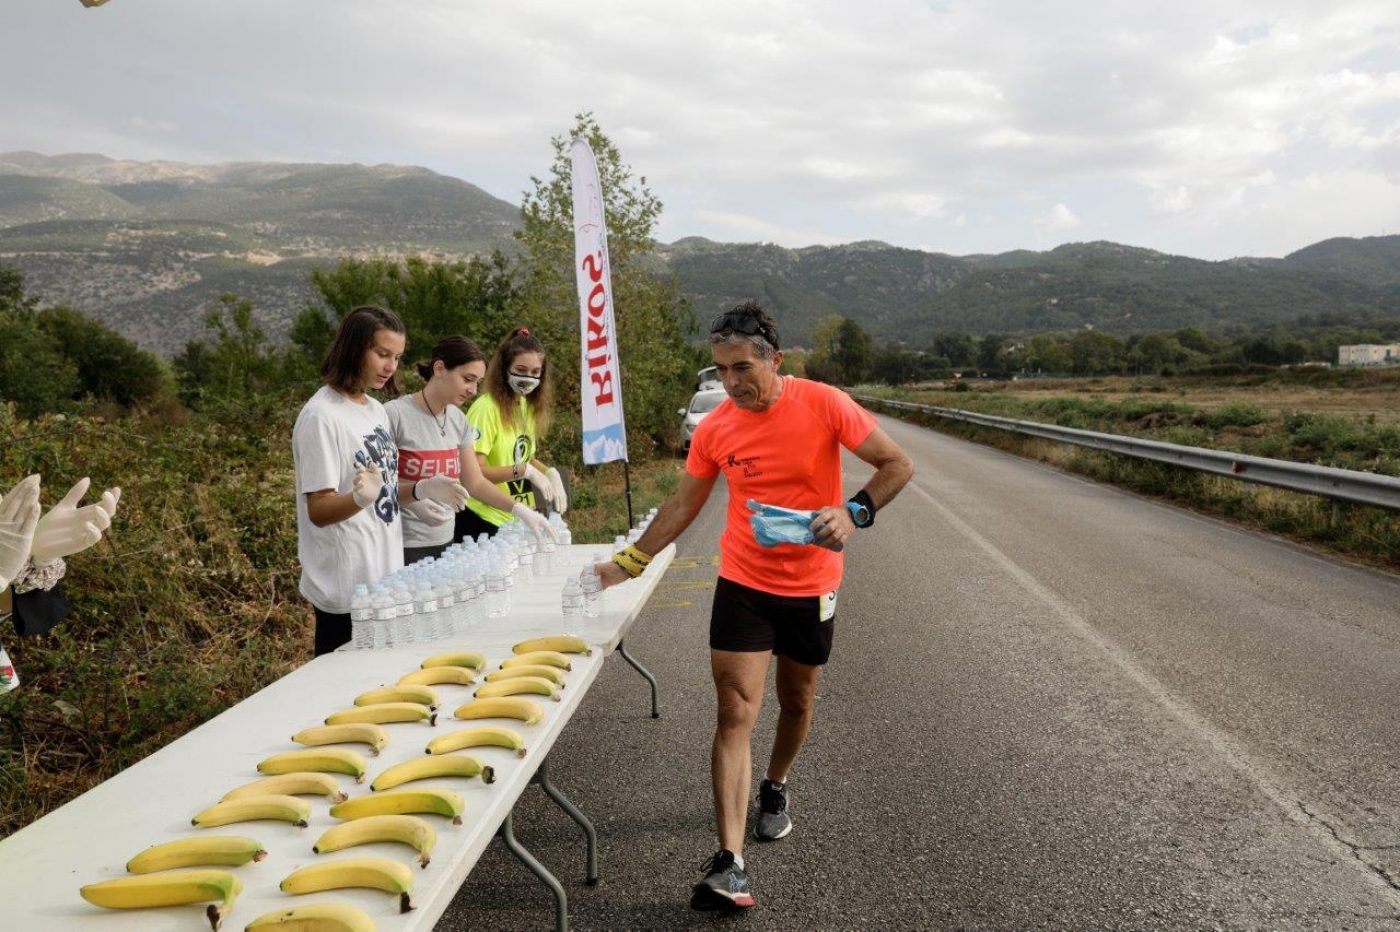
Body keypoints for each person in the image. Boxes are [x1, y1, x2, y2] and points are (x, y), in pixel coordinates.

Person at [595, 300, 914, 911]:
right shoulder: (717, 429)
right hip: (743, 583)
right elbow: (683, 506)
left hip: (812, 584)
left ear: (775, 360)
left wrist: (854, 512)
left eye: (742, 368)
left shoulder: (824, 403)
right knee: (734, 708)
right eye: (721, 370)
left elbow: (897, 464)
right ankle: (730, 863)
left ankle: (776, 783)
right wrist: (628, 563)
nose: (732, 383)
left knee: (797, 699)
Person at [293, 305, 422, 656]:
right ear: (353, 349)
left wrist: (421, 490)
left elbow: (381, 493)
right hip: (347, 592)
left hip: (385, 581)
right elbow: (319, 510)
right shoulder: (322, 416)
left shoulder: (375, 410)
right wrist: (358, 499)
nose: (391, 366)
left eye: (397, 357)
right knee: (346, 687)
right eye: (382, 354)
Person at [387, 336, 559, 566]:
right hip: (401, 544)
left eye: (478, 382)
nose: (473, 390)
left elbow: (475, 482)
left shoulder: (458, 420)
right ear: (440, 369)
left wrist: (520, 510)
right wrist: (414, 497)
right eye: (468, 379)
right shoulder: (395, 415)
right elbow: (374, 485)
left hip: (446, 542)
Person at [457, 327, 568, 542]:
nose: (528, 378)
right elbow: (475, 471)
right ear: (505, 368)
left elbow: (527, 458)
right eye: (521, 369)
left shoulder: (525, 406)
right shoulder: (486, 408)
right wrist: (523, 471)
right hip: (483, 517)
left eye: (535, 372)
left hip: (515, 518)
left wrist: (549, 472)